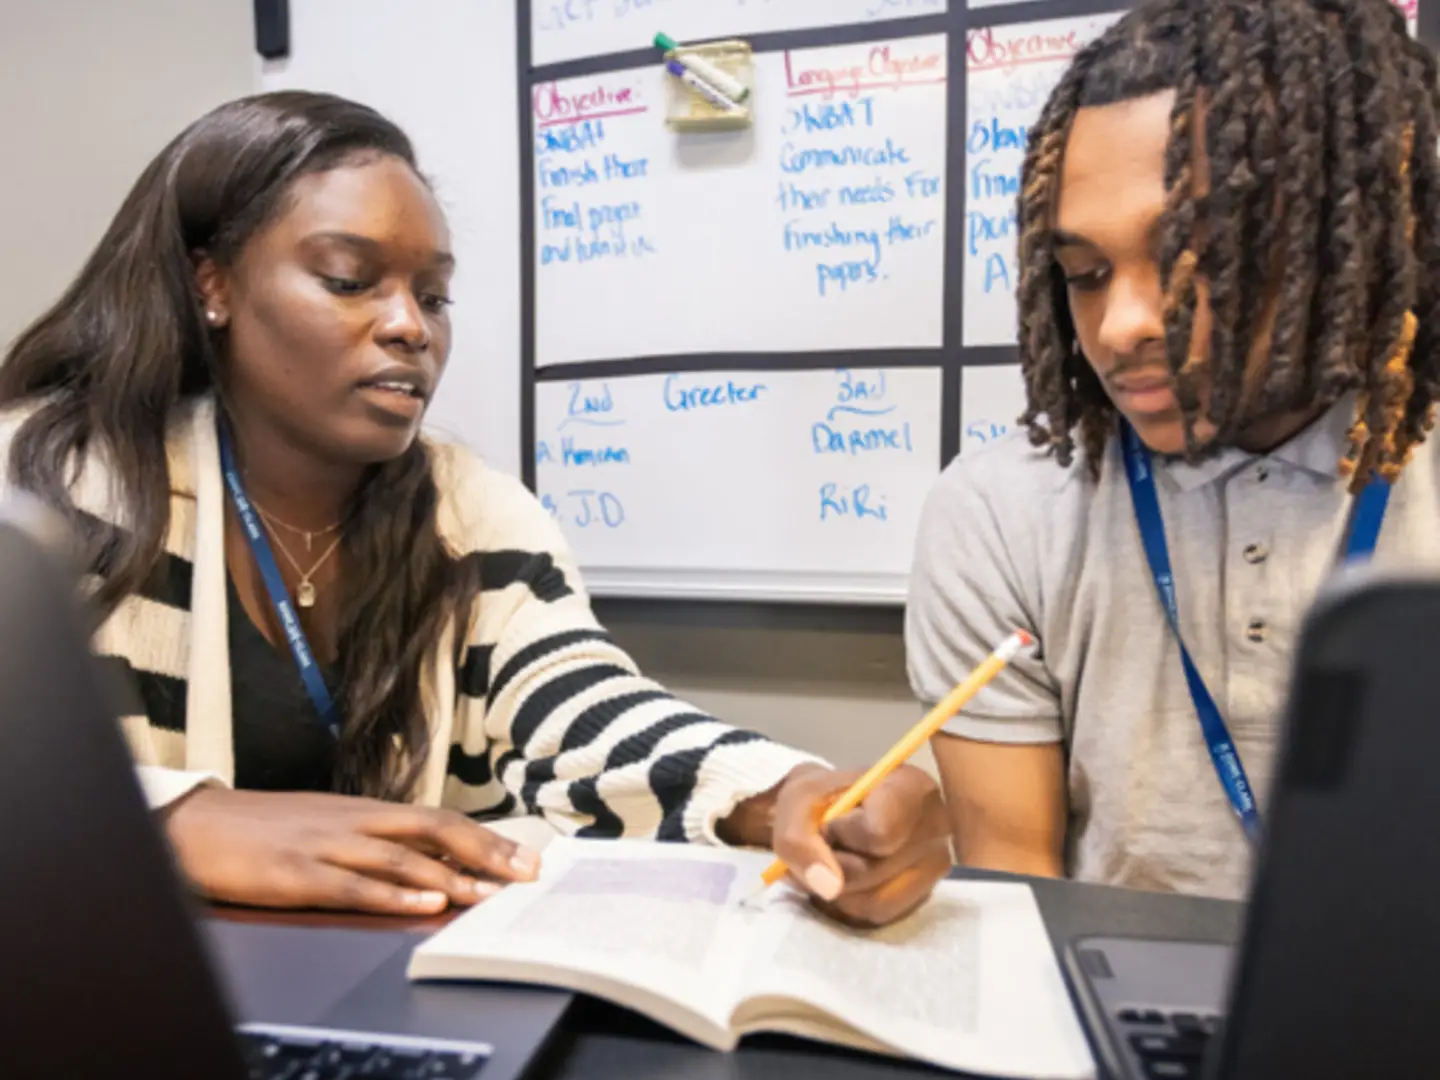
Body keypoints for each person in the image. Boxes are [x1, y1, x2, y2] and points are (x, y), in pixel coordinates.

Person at [0, 91, 950, 925]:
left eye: (434, 294)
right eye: (349, 279)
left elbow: (580, 712)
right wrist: (175, 820)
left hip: (393, 991)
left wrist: (787, 792)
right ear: (212, 283)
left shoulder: (475, 512)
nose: (410, 325)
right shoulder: (51, 484)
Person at [909, 0, 1440, 899]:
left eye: (1197, 262)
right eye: (1084, 275)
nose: (1120, 327)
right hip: (1104, 1021)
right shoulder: (999, 512)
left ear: (1339, 244)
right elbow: (1017, 901)